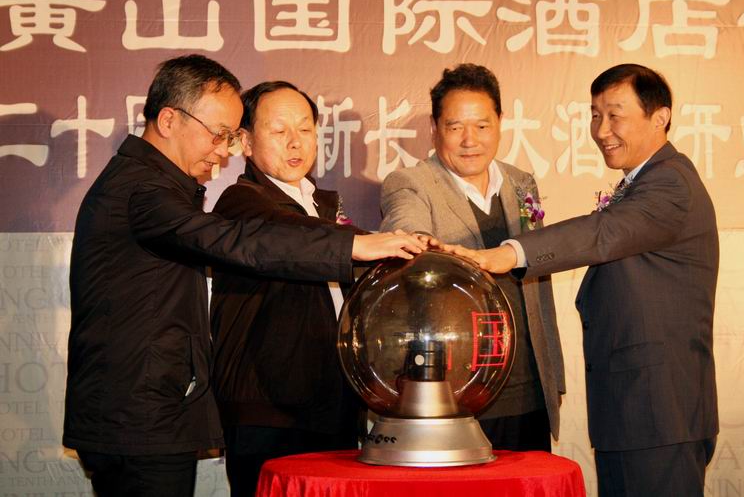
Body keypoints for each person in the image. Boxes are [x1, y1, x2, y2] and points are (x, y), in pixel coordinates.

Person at [63, 55, 427, 497]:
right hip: (138, 417)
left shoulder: (154, 185)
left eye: (228, 137)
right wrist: (353, 245)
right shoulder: (142, 189)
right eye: (219, 134)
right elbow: (234, 239)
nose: (222, 151)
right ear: (169, 120)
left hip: (149, 412)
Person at [449, 64, 719, 496]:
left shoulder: (670, 182)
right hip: (634, 413)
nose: (601, 130)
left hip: (659, 412)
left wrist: (508, 253)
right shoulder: (642, 182)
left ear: (660, 117)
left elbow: (602, 233)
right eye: (595, 115)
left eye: (615, 115)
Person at [380, 63, 566, 451]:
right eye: (455, 127)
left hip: (530, 386)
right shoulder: (411, 183)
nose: (470, 140)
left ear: (500, 122)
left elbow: (539, 282)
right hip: (457, 393)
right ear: (434, 129)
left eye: (482, 126)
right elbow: (406, 227)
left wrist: (554, 375)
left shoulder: (521, 182)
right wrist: (420, 243)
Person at [210, 81, 363, 496]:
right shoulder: (240, 203)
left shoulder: (323, 206)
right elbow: (290, 235)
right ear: (245, 142)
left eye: (305, 129)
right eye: (279, 131)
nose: (295, 142)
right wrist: (368, 243)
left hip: (334, 405)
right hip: (269, 413)